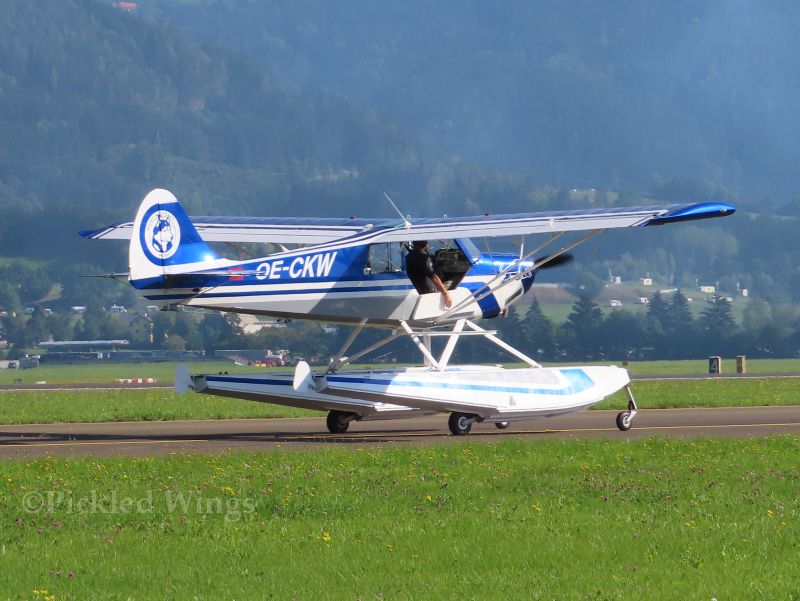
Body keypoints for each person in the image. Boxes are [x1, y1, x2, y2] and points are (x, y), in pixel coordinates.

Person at [405, 240, 452, 308]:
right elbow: (434, 277)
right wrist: (446, 293)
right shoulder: (424, 258)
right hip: (430, 291)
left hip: (421, 290)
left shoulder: (408, 257)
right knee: (452, 281)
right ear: (424, 244)